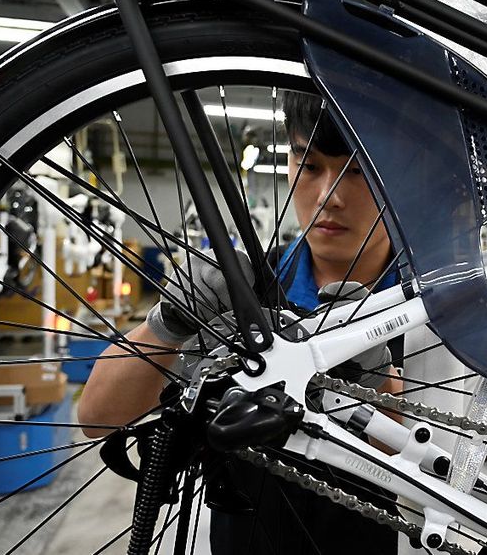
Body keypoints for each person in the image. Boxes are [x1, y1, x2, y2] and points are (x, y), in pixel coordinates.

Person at [78, 91, 400, 554]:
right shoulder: (244, 293)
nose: (329, 196)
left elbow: (458, 478)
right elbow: (97, 418)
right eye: (309, 166)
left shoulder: (441, 310)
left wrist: (378, 384)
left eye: (356, 171)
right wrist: (170, 321)